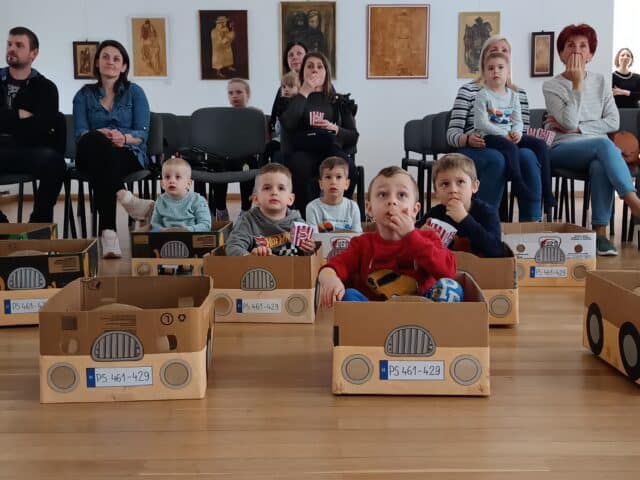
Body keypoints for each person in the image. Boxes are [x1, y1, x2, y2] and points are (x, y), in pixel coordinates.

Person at [543, 23, 640, 256]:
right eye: (570, 45)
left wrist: (579, 128)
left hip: (598, 150)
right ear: (561, 54)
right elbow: (567, 123)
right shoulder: (551, 86)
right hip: (562, 149)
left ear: (591, 54)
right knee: (603, 144)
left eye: (583, 46)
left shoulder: (601, 81)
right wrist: (577, 84)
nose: (576, 50)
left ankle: (600, 235)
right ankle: (634, 203)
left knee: (600, 163)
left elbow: (613, 121)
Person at [446, 35, 553, 221]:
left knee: (528, 156)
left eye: (504, 51)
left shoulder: (518, 94)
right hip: (478, 144)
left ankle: (531, 223)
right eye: (493, 51)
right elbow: (451, 134)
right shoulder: (469, 91)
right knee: (497, 159)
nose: (499, 55)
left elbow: (521, 129)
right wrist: (467, 139)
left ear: (508, 62)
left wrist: (515, 134)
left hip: (508, 143)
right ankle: (486, 221)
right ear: (484, 61)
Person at [317, 166, 456, 307]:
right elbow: (332, 267)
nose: (392, 201)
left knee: (451, 288)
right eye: (383, 195)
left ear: (415, 210)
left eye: (401, 195)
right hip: (374, 314)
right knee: (348, 294)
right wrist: (330, 279)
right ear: (370, 208)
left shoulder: (428, 237)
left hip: (422, 311)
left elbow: (448, 272)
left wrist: (411, 236)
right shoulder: (362, 244)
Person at [73, 39, 150, 258]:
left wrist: (123, 138)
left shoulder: (135, 92)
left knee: (103, 164)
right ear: (97, 62)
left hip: (127, 152)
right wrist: (101, 134)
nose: (110, 62)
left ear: (123, 66)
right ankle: (126, 197)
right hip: (89, 153)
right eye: (105, 57)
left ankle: (109, 234)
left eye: (116, 59)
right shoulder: (83, 95)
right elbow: (80, 134)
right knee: (95, 141)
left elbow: (142, 134)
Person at [0, 26, 66, 223]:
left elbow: (41, 128)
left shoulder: (46, 88)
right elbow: (33, 124)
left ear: (33, 53)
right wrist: (19, 115)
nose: (11, 49)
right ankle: (3, 229)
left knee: (55, 163)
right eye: (9, 44)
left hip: (30, 150)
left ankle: (38, 226)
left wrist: (6, 120)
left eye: (19, 45)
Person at [280, 52, 359, 213]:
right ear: (302, 72)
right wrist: (304, 92)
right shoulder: (293, 99)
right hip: (303, 149)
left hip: (330, 148)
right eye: (309, 66)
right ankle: (306, 216)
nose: (314, 70)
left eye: (319, 66)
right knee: (299, 166)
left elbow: (353, 136)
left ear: (326, 73)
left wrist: (335, 128)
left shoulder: (338, 101)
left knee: (348, 167)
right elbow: (288, 124)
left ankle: (340, 213)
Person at [473, 51, 552, 205]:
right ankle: (517, 184)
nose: (495, 71)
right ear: (484, 74)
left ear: (508, 72)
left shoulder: (514, 96)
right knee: (511, 148)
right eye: (490, 68)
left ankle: (547, 192)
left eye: (500, 67)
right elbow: (481, 123)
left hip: (509, 135)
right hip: (489, 137)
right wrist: (505, 134)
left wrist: (517, 133)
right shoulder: (483, 95)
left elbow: (517, 120)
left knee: (540, 144)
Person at [225, 163, 316, 256]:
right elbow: (232, 247)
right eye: (267, 188)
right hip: (260, 265)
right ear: (256, 199)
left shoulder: (298, 222)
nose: (274, 192)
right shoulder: (247, 221)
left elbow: (309, 254)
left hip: (292, 264)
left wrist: (309, 249)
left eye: (281, 188)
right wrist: (250, 257)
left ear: (290, 199)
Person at [421, 153, 502, 258]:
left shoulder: (487, 212)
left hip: (480, 266)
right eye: (445, 184)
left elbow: (496, 251)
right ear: (436, 192)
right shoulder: (435, 213)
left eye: (460, 182)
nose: (453, 190)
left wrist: (465, 219)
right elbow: (412, 235)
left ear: (474, 186)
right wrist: (421, 233)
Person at [118, 157, 210, 233]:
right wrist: (162, 230)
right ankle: (142, 207)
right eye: (167, 177)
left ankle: (143, 206)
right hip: (166, 239)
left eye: (178, 177)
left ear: (188, 184)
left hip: (189, 238)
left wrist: (188, 230)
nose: (172, 181)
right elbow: (154, 224)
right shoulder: (161, 200)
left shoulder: (197, 201)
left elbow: (206, 225)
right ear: (162, 184)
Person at [208, 78, 256, 222]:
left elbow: (260, 141)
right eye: (231, 93)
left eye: (239, 92)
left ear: (248, 94)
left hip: (246, 158)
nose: (234, 96)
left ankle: (245, 210)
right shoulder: (223, 117)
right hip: (225, 158)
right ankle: (221, 209)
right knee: (216, 163)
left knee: (248, 164)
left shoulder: (255, 115)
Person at [306, 156, 362, 232]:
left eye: (338, 177)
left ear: (347, 184)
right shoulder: (312, 207)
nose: (333, 182)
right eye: (328, 177)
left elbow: (357, 236)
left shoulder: (353, 207)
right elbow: (314, 237)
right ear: (321, 184)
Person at [268, 42, 308, 149]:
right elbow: (274, 118)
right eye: (290, 55)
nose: (294, 57)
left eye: (299, 53)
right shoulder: (282, 89)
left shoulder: (318, 85)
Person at [266, 71, 300, 164]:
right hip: (281, 137)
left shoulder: (299, 104)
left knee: (271, 148)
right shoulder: (280, 103)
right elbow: (277, 129)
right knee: (266, 149)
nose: (286, 89)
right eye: (284, 87)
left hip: (295, 139)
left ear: (299, 89)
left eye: (291, 86)